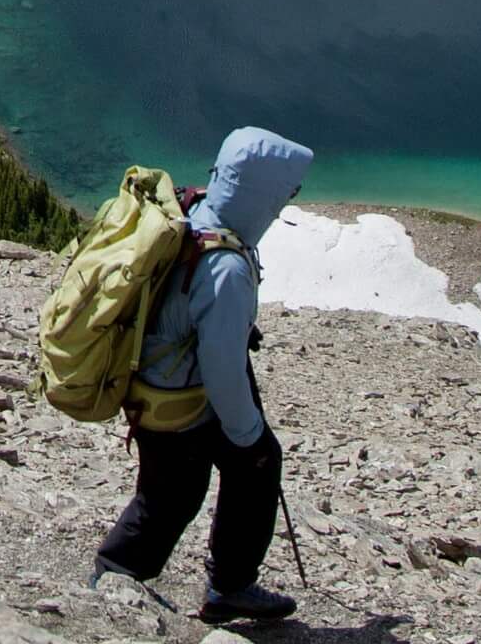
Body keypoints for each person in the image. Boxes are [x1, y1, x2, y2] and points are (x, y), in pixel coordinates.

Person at [94, 126, 314, 626]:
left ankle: (120, 572)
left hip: (148, 383)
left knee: (170, 493)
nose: (287, 202)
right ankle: (219, 585)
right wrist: (249, 435)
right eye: (287, 191)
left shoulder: (192, 212)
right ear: (263, 193)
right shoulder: (227, 268)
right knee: (252, 464)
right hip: (179, 399)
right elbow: (222, 369)